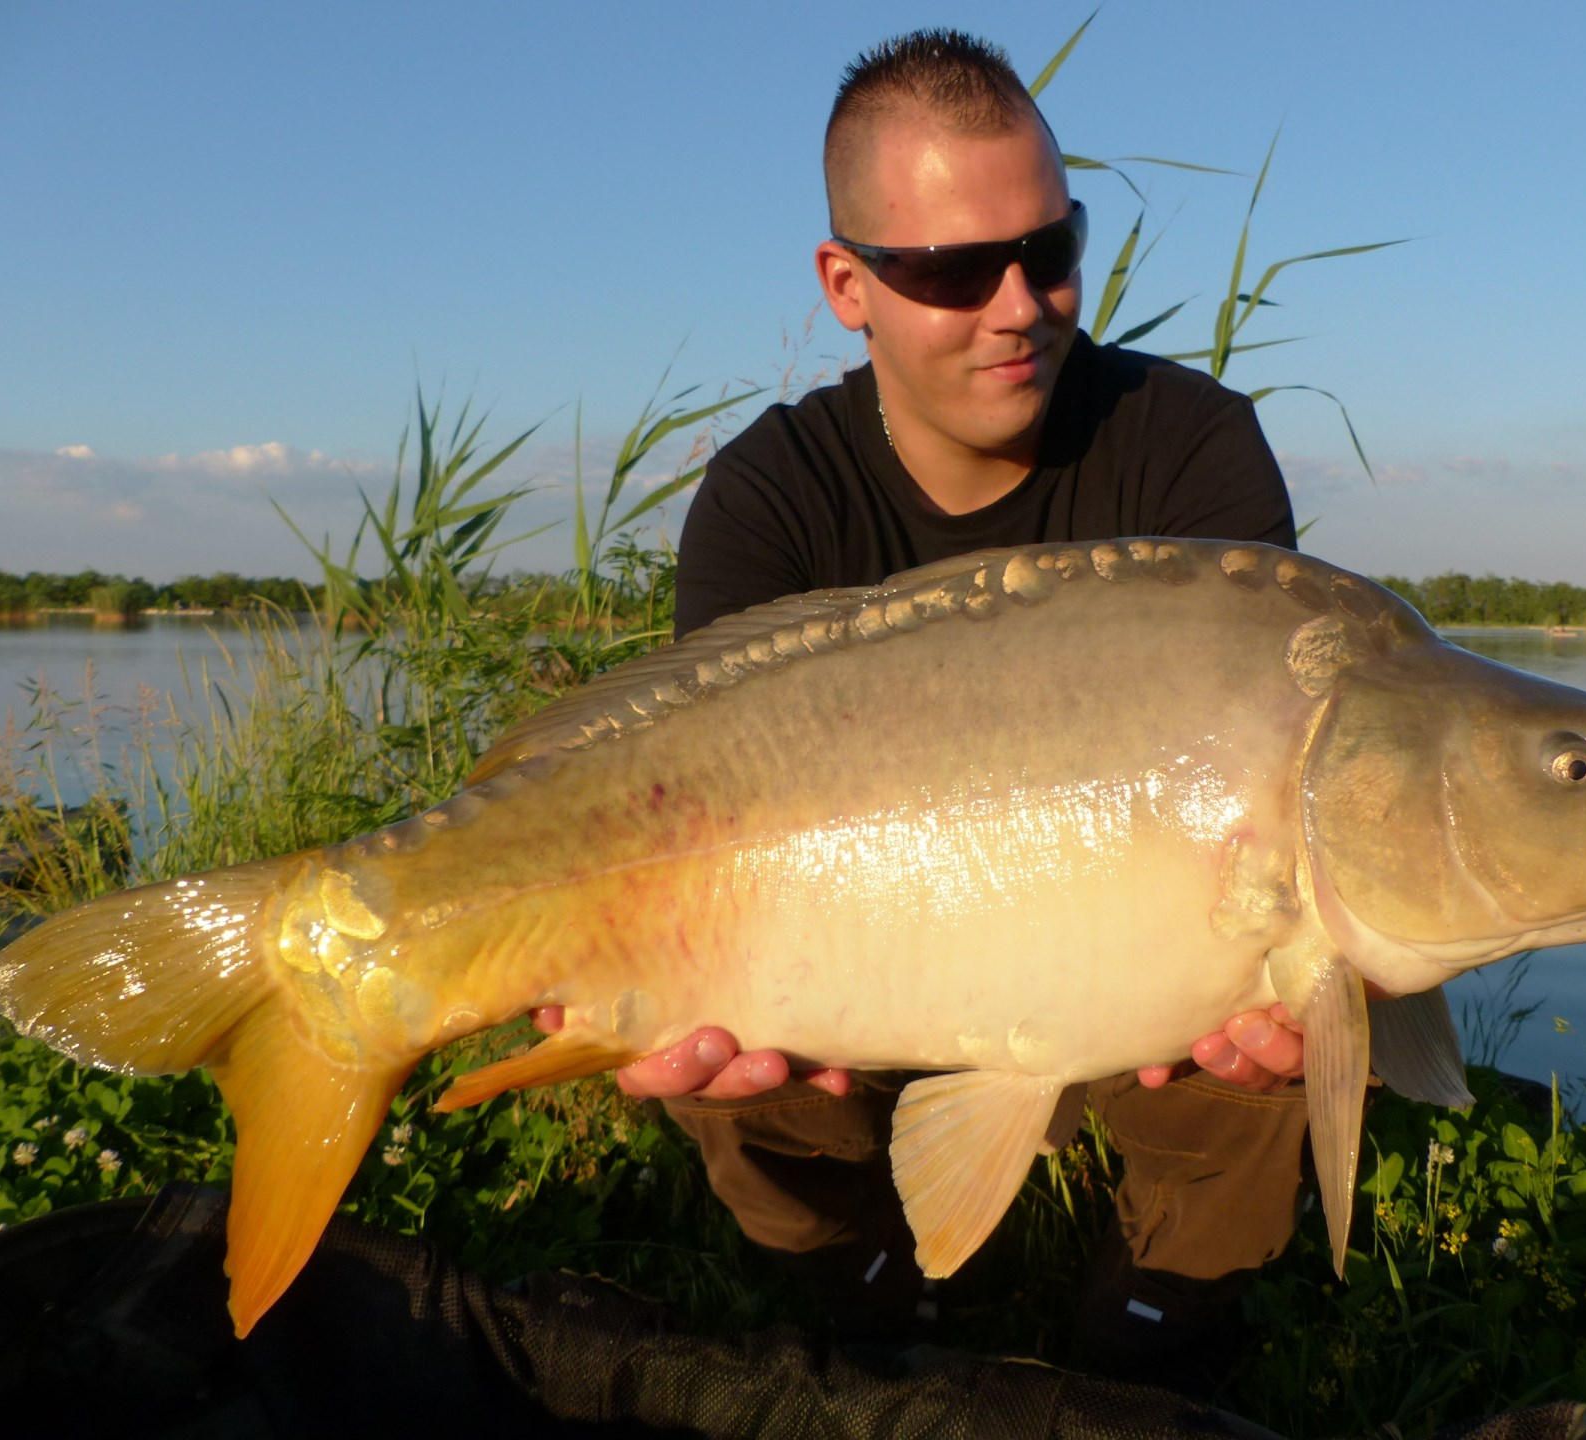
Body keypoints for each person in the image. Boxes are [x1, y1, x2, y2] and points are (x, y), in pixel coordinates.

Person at [533, 28, 1314, 1375]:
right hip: (852, 977)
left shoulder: (1191, 448)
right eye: (954, 270)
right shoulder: (771, 498)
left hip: (1132, 970)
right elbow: (687, 816)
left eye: (1051, 251)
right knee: (733, 1060)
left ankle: (1156, 1316)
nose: (1020, 304)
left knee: (1281, 990)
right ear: (848, 284)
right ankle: (871, 1287)